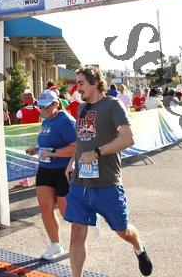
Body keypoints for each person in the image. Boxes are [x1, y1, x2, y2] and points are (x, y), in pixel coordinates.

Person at [64, 66, 152, 277]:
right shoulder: (81, 109)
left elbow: (128, 138)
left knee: (123, 231)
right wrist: (72, 162)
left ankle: (139, 247)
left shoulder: (113, 105)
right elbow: (82, 141)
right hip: (80, 183)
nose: (77, 88)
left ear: (95, 83)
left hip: (107, 183)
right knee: (77, 233)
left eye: (81, 83)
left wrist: (96, 153)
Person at [25, 90, 76, 260]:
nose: (44, 110)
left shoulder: (65, 120)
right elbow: (48, 144)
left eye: (47, 106)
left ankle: (77, 244)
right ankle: (55, 245)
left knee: (67, 212)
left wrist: (53, 153)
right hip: (45, 170)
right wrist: (37, 149)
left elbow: (77, 146)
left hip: (63, 171)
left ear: (56, 103)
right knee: (45, 208)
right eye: (41, 106)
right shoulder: (46, 120)